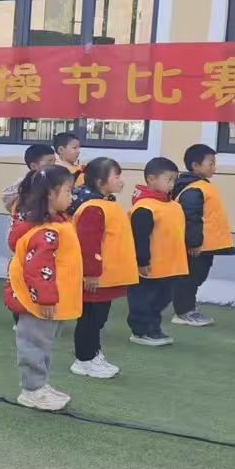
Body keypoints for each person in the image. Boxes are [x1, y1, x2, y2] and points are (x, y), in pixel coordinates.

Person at [6, 166, 81, 411]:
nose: (72, 196)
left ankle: (39, 384)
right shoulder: (45, 230)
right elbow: (38, 269)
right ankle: (32, 389)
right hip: (38, 302)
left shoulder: (58, 222)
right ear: (50, 193)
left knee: (42, 344)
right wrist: (46, 299)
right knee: (33, 345)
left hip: (47, 300)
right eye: (68, 190)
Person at [70, 157, 136, 379]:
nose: (121, 181)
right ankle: (84, 359)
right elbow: (88, 244)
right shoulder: (93, 208)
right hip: (96, 278)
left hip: (106, 277)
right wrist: (90, 272)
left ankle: (93, 353)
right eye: (116, 176)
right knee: (90, 319)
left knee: (98, 319)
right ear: (100, 181)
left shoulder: (106, 204)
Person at [172, 144, 234, 327]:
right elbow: (191, 217)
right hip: (197, 246)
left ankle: (188, 308)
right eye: (210, 163)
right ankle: (184, 312)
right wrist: (194, 243)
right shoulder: (194, 189)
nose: (214, 167)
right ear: (195, 165)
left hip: (205, 245)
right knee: (190, 278)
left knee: (196, 277)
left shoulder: (201, 186)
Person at [127, 157, 187, 347]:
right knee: (144, 299)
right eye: (168, 179)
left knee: (162, 299)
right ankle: (141, 331)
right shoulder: (144, 208)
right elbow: (140, 237)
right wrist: (142, 261)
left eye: (174, 180)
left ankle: (153, 328)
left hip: (170, 266)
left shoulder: (174, 205)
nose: (172, 184)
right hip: (149, 266)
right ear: (151, 179)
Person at [2, 143, 56, 213]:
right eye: (49, 162)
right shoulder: (24, 187)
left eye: (54, 162)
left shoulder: (55, 182)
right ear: (34, 166)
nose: (54, 166)